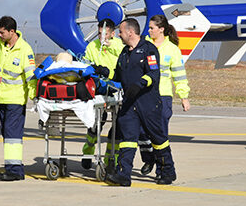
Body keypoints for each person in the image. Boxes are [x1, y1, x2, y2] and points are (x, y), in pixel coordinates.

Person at [105, 18, 176, 187]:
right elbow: (117, 77)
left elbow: (154, 74)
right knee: (127, 139)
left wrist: (140, 84)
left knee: (158, 139)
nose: (119, 35)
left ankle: (167, 171)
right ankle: (124, 174)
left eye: (121, 32)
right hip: (129, 105)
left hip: (148, 104)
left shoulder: (149, 50)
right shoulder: (124, 53)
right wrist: (103, 73)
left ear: (130, 32)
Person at [138, 14, 190, 178]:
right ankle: (149, 159)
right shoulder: (144, 45)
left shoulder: (172, 49)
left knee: (160, 135)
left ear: (161, 29)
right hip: (144, 95)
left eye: (152, 28)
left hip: (163, 96)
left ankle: (161, 170)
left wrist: (184, 96)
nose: (149, 30)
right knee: (141, 133)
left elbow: (179, 75)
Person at [0, 16, 37, 181]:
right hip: (2, 98)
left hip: (16, 100)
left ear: (12, 31)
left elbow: (31, 77)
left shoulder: (25, 50)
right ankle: (13, 167)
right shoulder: (0, 46)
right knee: (6, 134)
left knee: (13, 136)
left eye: (2, 32)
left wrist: (34, 97)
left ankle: (15, 171)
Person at [81, 18, 124, 170]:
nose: (101, 37)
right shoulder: (92, 46)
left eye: (105, 34)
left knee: (118, 126)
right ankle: (88, 152)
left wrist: (110, 47)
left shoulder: (119, 45)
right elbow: (85, 65)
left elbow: (124, 64)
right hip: (99, 88)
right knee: (96, 123)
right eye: (99, 34)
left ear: (112, 33)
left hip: (117, 87)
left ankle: (111, 159)